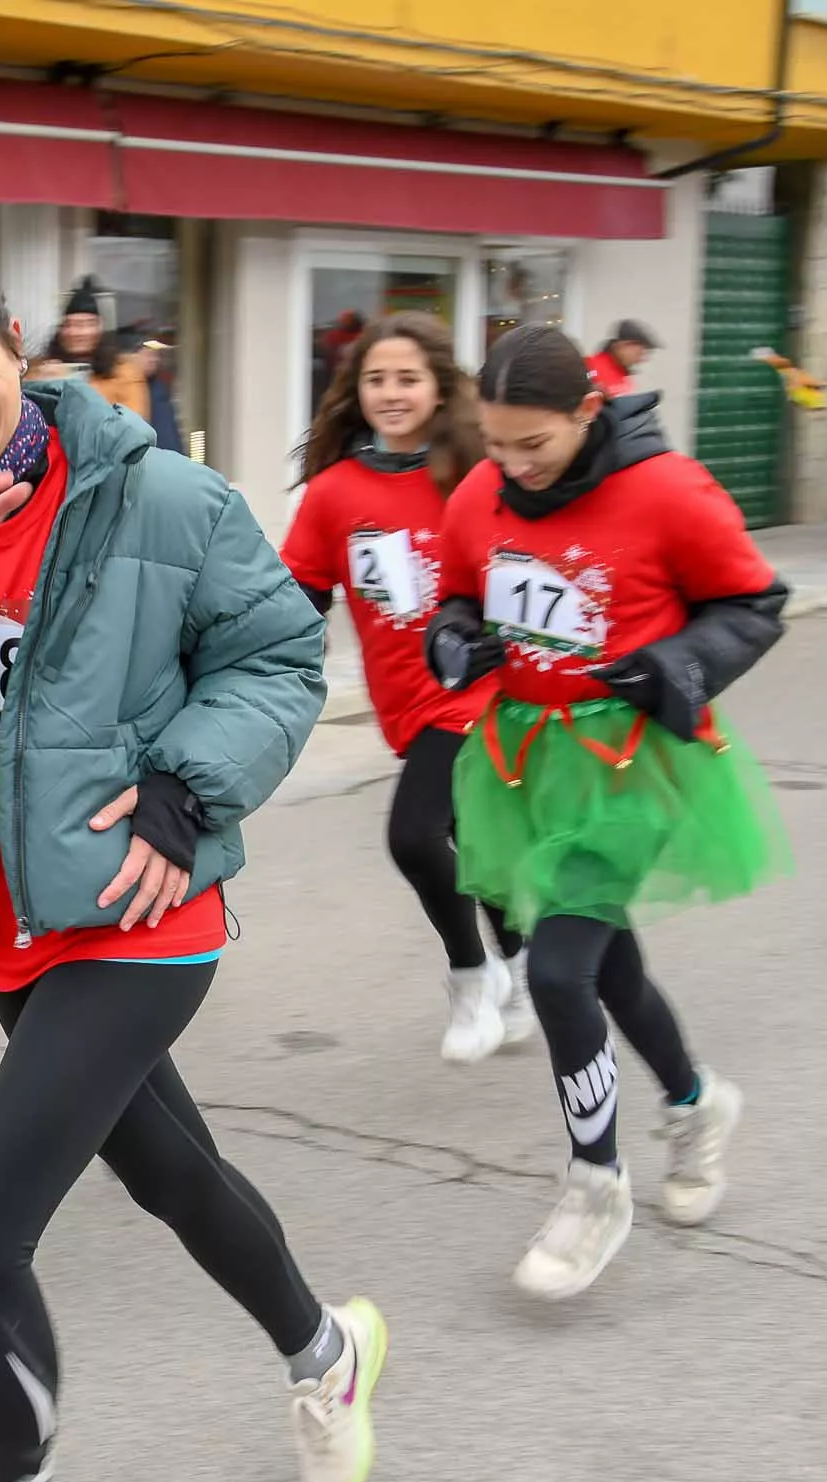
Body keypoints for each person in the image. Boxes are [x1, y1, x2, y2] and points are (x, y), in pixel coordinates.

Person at [0, 240, 384, 1482]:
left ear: (15, 341)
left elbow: (279, 658)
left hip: (139, 902)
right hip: (4, 920)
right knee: (171, 1172)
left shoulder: (161, 494)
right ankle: (325, 1353)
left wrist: (188, 786)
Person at [426, 324, 792, 1300]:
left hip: (631, 765)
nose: (510, 466)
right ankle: (696, 1102)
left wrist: (677, 664)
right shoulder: (480, 491)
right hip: (525, 765)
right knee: (607, 966)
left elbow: (755, 605)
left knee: (554, 971)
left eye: (531, 445)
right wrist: (458, 642)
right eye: (493, 444)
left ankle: (596, 1185)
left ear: (589, 414)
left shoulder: (667, 491)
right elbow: (457, 599)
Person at [281, 312, 535, 1063]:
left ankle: (473, 976)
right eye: (376, 379)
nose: (391, 393)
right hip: (403, 699)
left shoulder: (472, 475)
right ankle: (520, 972)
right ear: (356, 391)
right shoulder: (333, 492)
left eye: (408, 378)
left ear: (438, 387)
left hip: (478, 692)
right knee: (477, 841)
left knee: (415, 834)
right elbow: (302, 590)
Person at [29, 276, 151, 417]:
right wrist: (42, 385)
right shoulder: (42, 368)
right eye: (69, 324)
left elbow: (133, 430)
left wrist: (73, 386)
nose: (76, 333)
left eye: (86, 324)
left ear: (99, 328)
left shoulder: (124, 373)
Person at [585, 319, 658, 398]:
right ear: (621, 345)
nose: (643, 358)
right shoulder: (590, 366)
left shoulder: (626, 378)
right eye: (639, 352)